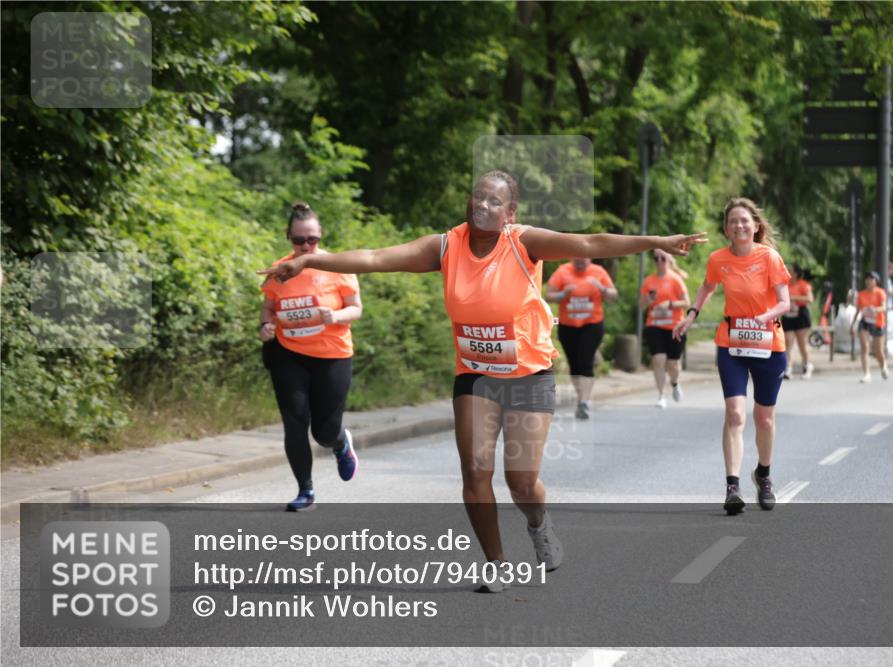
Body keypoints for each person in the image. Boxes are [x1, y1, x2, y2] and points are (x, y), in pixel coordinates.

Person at [259, 171, 706, 590]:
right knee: (475, 472)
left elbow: (589, 241)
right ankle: (496, 562)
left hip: (528, 374)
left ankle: (538, 524)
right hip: (475, 374)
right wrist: (312, 261)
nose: (483, 205)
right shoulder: (446, 246)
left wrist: (656, 241)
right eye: (478, 197)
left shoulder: (524, 242)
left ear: (511, 212)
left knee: (521, 482)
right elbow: (376, 258)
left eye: (495, 201)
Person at [673, 197, 790, 516]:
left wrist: (765, 316)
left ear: (755, 226)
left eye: (744, 220)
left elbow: (785, 302)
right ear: (726, 229)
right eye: (733, 221)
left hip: (768, 344)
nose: (739, 225)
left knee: (764, 418)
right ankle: (732, 486)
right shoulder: (718, 259)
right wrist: (691, 315)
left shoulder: (769, 257)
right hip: (732, 342)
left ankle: (763, 474)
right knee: (735, 414)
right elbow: (707, 287)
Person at [260, 202, 362, 512]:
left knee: (324, 432)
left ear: (320, 237)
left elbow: (356, 308)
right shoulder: (280, 269)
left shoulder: (338, 266)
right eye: (299, 240)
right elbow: (268, 308)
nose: (306, 246)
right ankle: (305, 491)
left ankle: (340, 442)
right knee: (294, 421)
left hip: (332, 355)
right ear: (288, 237)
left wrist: (335, 315)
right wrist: (265, 325)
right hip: (289, 354)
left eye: (312, 240)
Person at [546, 258, 617, 419]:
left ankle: (584, 402)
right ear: (573, 258)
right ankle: (581, 398)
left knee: (585, 360)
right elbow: (548, 295)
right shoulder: (563, 271)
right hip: (568, 326)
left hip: (592, 325)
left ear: (589, 258)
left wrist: (602, 289)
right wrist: (563, 294)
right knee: (575, 365)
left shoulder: (598, 272)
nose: (581, 263)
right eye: (577, 260)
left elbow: (613, 295)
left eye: (584, 260)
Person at [640, 250, 690, 407]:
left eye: (663, 258)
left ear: (668, 260)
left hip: (674, 326)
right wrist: (648, 300)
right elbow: (641, 305)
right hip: (654, 325)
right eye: (656, 258)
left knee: (673, 364)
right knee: (658, 359)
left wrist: (669, 304)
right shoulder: (649, 281)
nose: (660, 261)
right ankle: (661, 395)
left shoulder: (676, 279)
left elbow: (687, 302)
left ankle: (675, 383)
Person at [851, 271, 889, 383]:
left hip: (878, 323)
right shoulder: (861, 294)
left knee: (878, 351)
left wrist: (875, 309)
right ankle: (867, 374)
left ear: (876, 281)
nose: (869, 281)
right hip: (865, 322)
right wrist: (852, 324)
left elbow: (884, 307)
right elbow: (858, 311)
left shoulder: (880, 292)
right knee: (865, 347)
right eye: (867, 279)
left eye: (871, 279)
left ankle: (883, 366)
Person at [781, 263, 814, 380]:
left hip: (801, 314)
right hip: (788, 315)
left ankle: (807, 366)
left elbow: (810, 299)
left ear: (795, 273)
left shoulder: (803, 285)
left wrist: (794, 298)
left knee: (802, 343)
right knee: (787, 343)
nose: (787, 272)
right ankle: (788, 368)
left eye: (789, 270)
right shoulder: (784, 284)